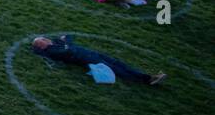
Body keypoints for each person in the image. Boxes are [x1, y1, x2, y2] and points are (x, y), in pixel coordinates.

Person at [31, 35, 165, 85]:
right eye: (41, 40)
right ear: (40, 46)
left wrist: (66, 41)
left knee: (118, 63)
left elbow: (69, 37)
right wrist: (66, 42)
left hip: (91, 54)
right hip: (86, 59)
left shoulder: (55, 43)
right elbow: (68, 49)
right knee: (116, 69)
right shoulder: (52, 50)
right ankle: (147, 79)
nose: (45, 38)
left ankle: (147, 77)